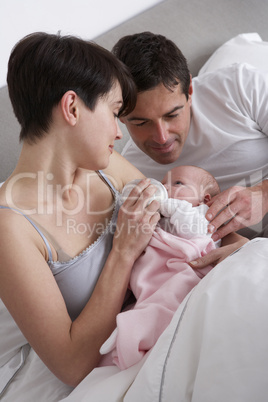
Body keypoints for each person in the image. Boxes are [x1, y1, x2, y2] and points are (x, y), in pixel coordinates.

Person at [0, 32, 162, 399]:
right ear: (72, 108)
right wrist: (122, 251)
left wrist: (232, 246)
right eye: (114, 112)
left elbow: (173, 220)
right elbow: (71, 365)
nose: (118, 133)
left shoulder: (105, 167)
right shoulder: (10, 228)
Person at [112, 32, 268, 247]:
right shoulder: (132, 173)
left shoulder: (238, 86)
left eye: (172, 115)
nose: (162, 137)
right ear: (119, 114)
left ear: (190, 92)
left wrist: (263, 194)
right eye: (141, 123)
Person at [99, 165, 229, 369]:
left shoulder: (201, 216)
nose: (165, 188)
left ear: (204, 200)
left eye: (177, 183)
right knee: (143, 306)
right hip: (152, 279)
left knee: (162, 307)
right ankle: (130, 337)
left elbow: (194, 230)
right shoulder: (165, 216)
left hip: (182, 274)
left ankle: (133, 337)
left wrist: (163, 203)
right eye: (164, 182)